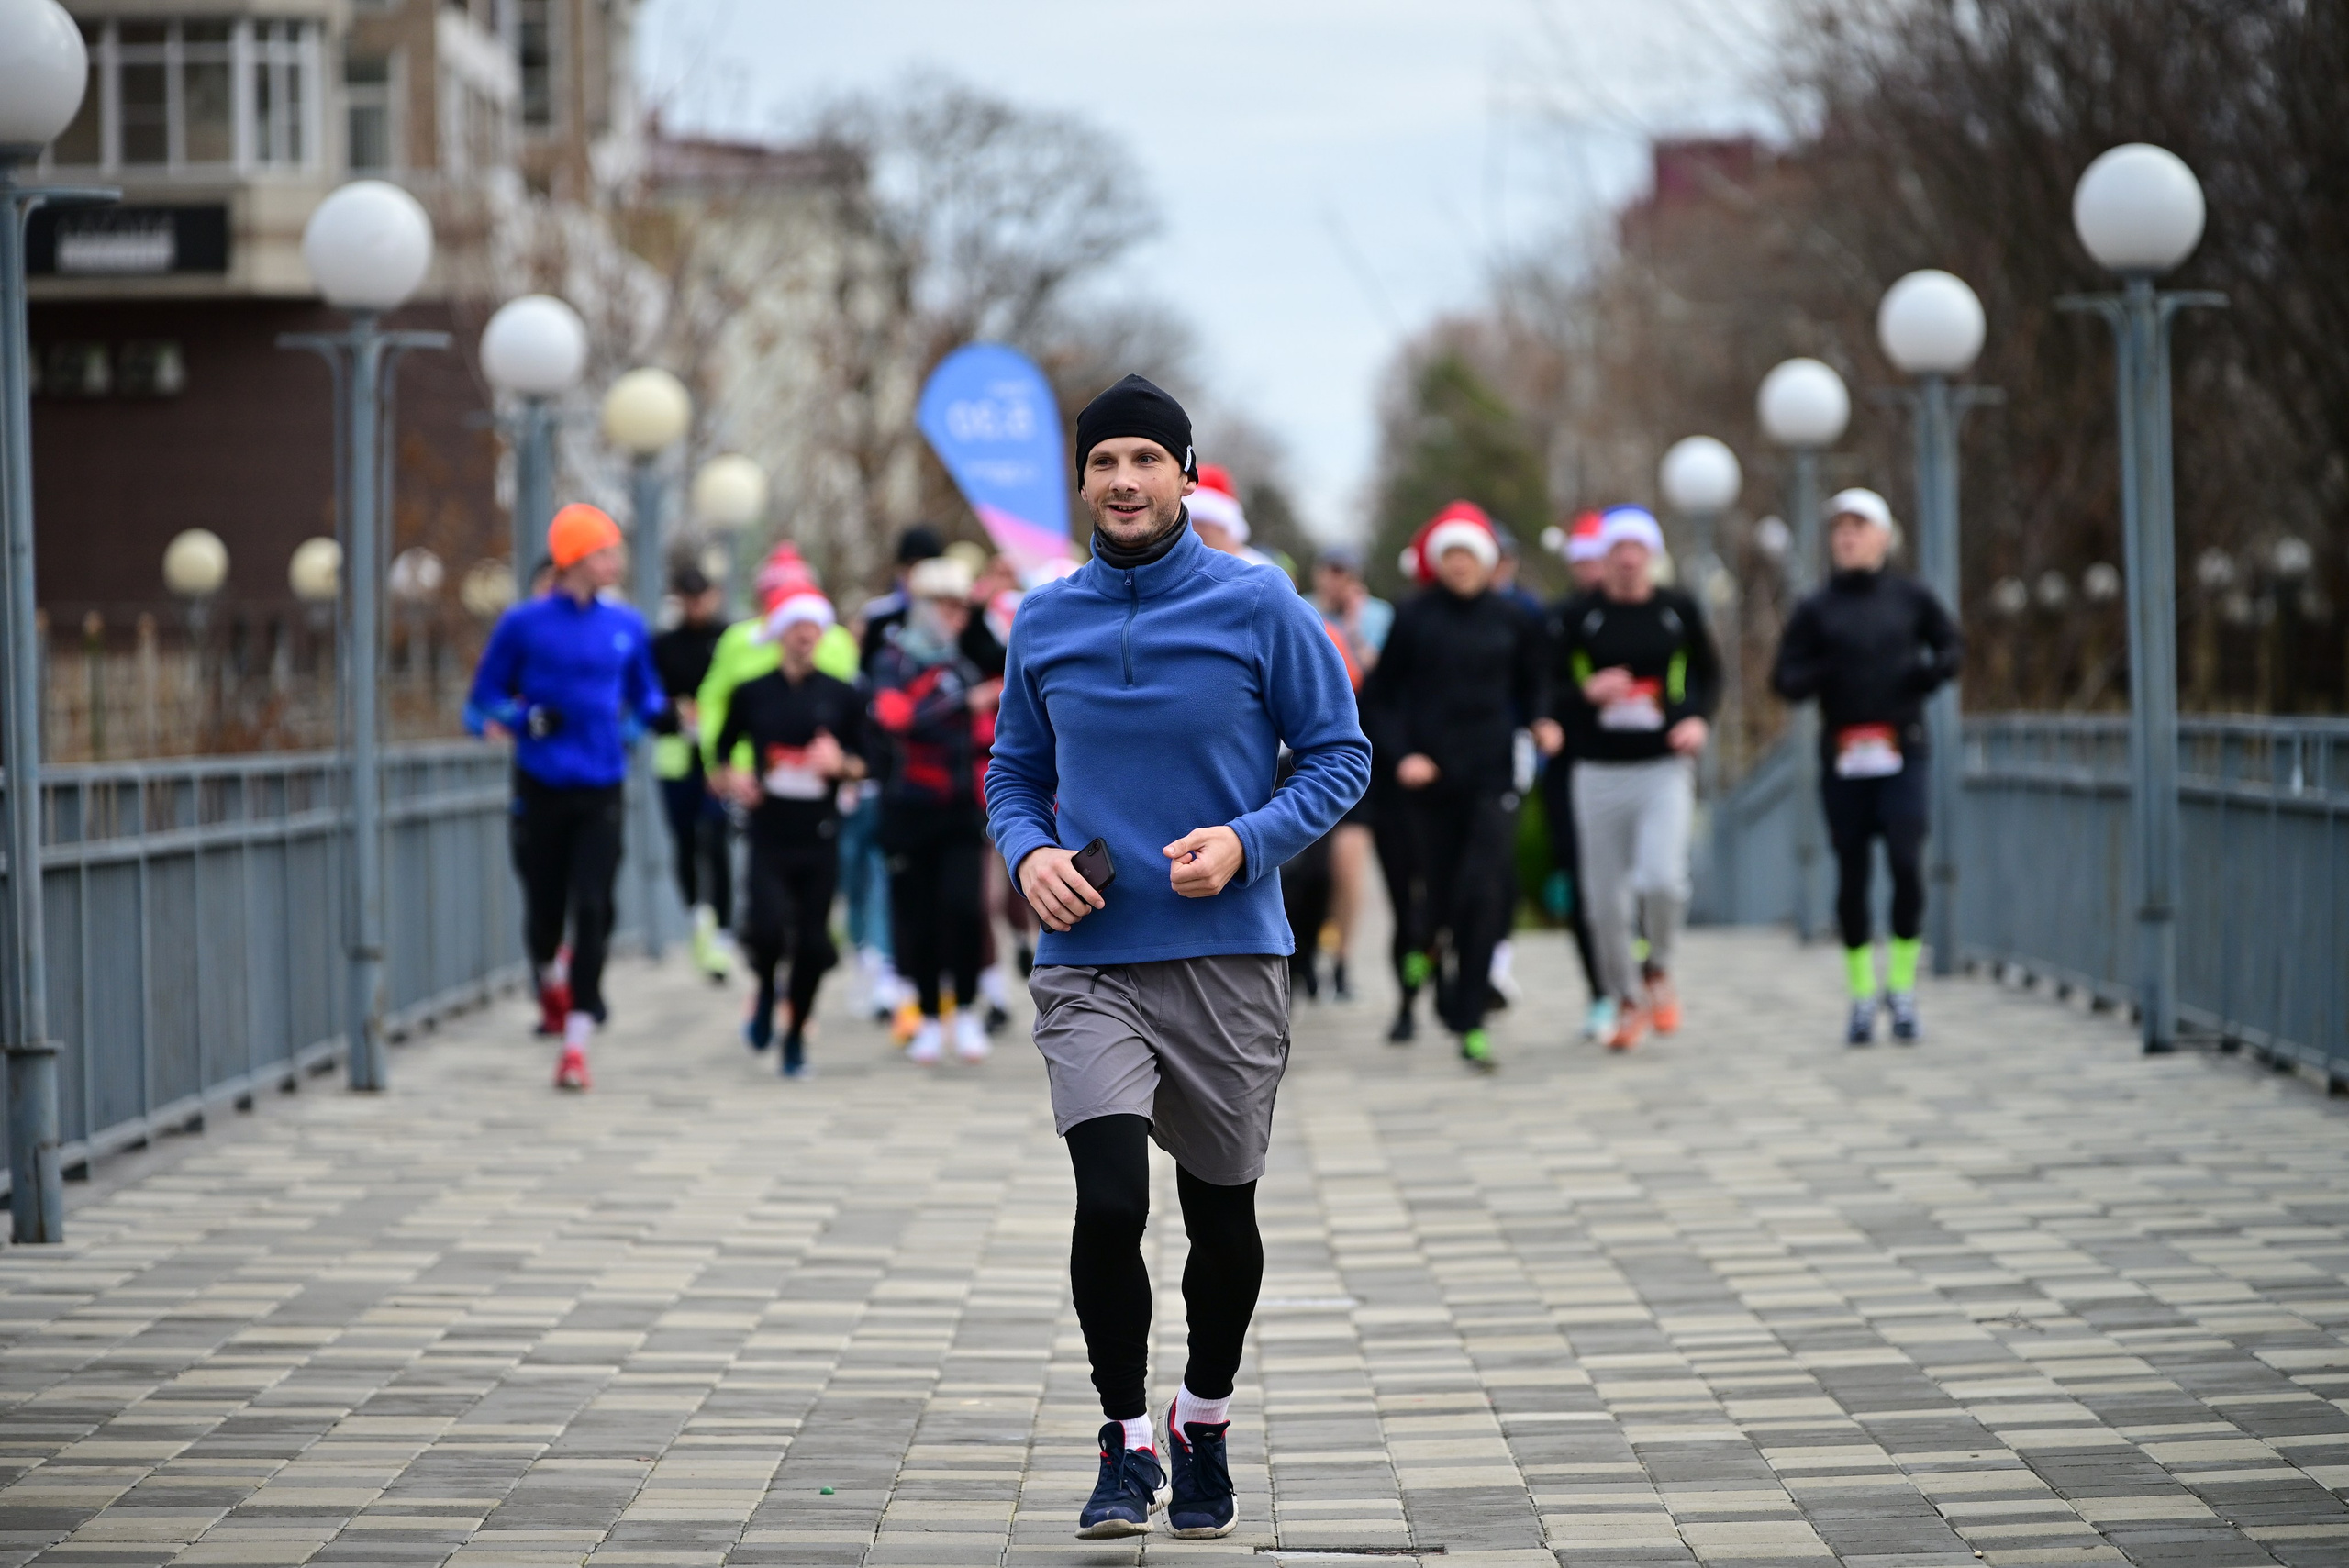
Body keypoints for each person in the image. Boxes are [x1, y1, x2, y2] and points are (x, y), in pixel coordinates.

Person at [988, 375, 1366, 1540]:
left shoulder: (1260, 605)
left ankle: (1201, 1415)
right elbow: (1011, 770)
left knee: (1220, 1217)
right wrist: (1028, 852)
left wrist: (1249, 840)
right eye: (1104, 462)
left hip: (1225, 957)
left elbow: (1339, 756)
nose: (1124, 480)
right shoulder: (1044, 619)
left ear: (1186, 475)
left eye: (1146, 459)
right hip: (1090, 956)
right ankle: (1125, 1439)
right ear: (1085, 481)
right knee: (1108, 1201)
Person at [466, 504, 665, 1090]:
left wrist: (633, 727)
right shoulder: (524, 625)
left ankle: (576, 1043)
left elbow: (648, 697)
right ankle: (549, 975)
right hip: (541, 786)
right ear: (575, 558)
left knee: (596, 906)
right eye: (606, 551)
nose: (617, 561)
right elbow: (481, 702)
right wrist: (524, 719)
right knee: (545, 909)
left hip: (602, 785)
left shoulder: (626, 625)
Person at [1769, 487, 1963, 1045]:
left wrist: (1923, 673)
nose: (1847, 537)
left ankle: (1900, 988)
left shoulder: (1910, 598)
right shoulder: (1816, 608)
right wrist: (1821, 673)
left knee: (1906, 863)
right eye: (1839, 529)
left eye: (1858, 527)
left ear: (1883, 535)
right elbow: (1784, 678)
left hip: (1903, 750)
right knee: (1851, 878)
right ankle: (1860, 995)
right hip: (1844, 756)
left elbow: (1951, 648)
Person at [1364, 502, 1546, 1070]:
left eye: (1470, 555)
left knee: (1484, 892)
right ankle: (1421, 966)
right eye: (1450, 556)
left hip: (1492, 776)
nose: (1460, 565)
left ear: (1489, 562)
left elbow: (1539, 686)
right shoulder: (1414, 618)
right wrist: (1406, 756)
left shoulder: (1514, 619)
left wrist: (1544, 721)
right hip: (1430, 783)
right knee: (1439, 897)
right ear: (1437, 563)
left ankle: (1470, 1022)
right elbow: (1378, 699)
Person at [1546, 506, 1720, 1051]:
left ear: (1651, 555)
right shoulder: (1579, 616)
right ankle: (1625, 1000)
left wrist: (1695, 717)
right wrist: (1585, 694)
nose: (1625, 559)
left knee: (1662, 880)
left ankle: (1659, 968)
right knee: (1604, 904)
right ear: (1604, 557)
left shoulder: (1677, 609)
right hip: (1596, 770)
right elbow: (1544, 687)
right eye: (1616, 549)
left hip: (1661, 766)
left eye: (1636, 549)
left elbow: (1709, 673)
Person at [709, 589, 865, 1075]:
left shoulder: (842, 695)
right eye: (796, 626)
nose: (805, 636)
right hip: (767, 832)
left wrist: (840, 765)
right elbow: (719, 754)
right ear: (779, 634)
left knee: (815, 946)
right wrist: (733, 779)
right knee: (767, 931)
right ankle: (762, 996)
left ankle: (795, 1035)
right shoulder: (752, 691)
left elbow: (871, 762)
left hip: (819, 833)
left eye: (814, 628)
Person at [869, 554, 998, 1065]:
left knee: (966, 908)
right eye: (947, 606)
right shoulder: (893, 659)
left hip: (962, 806)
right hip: (908, 807)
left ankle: (965, 1011)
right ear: (922, 607)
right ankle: (925, 1016)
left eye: (962, 608)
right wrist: (963, 703)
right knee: (916, 915)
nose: (957, 618)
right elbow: (894, 718)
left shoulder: (963, 661)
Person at [1538, 511, 1612, 1039]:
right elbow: (1541, 690)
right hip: (1571, 770)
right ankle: (1601, 992)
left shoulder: (1653, 611)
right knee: (1584, 883)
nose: (1590, 570)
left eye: (1597, 559)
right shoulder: (1559, 619)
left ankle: (1637, 970)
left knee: (1632, 882)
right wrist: (1577, 700)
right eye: (1581, 561)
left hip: (1635, 766)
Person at [1309, 545, 1391, 1001]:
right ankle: (1307, 957)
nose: (1334, 581)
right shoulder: (1299, 609)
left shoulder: (1378, 617)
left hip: (1364, 751)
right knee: (1311, 870)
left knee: (1348, 865)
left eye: (1343, 573)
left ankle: (1343, 960)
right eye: (1329, 572)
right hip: (1308, 754)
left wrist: (1356, 630)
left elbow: (1380, 678)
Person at [650, 563, 733, 982]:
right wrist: (675, 714)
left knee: (716, 840)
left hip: (718, 755)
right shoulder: (663, 644)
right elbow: (648, 703)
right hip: (677, 755)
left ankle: (721, 927)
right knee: (684, 842)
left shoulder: (727, 638)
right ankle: (698, 915)